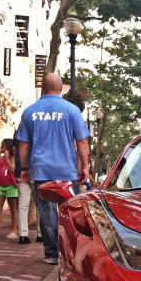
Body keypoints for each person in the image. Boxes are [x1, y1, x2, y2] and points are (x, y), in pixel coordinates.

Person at [17, 73, 90, 264]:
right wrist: (85, 167)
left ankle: (52, 254)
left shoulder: (30, 112)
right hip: (67, 171)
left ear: (43, 88)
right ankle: (72, 253)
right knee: (70, 213)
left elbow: (23, 144)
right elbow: (82, 141)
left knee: (47, 215)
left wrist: (24, 167)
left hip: (42, 171)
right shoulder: (72, 110)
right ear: (61, 89)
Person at [12, 135, 42, 244]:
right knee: (40, 204)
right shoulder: (40, 128)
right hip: (38, 172)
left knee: (23, 205)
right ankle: (40, 234)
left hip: (21, 172)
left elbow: (15, 151)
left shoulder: (19, 133)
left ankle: (23, 234)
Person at [0, 138, 19, 239]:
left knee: (13, 209)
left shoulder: (14, 157)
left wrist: (7, 158)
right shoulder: (1, 158)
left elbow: (12, 169)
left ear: (8, 148)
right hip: (1, 186)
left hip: (12, 186)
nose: (1, 148)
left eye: (3, 146)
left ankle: (14, 231)